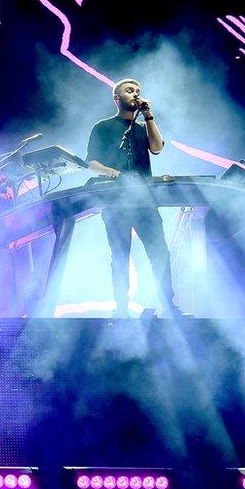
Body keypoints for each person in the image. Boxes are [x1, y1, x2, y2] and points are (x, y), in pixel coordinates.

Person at [85, 79, 182, 318]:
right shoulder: (103, 127)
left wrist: (149, 116)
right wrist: (114, 174)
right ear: (116, 98)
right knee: (120, 256)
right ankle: (121, 309)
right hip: (115, 202)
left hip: (144, 201)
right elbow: (91, 164)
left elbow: (157, 148)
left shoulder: (142, 128)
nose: (136, 94)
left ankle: (169, 305)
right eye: (130, 91)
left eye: (138, 91)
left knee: (159, 253)